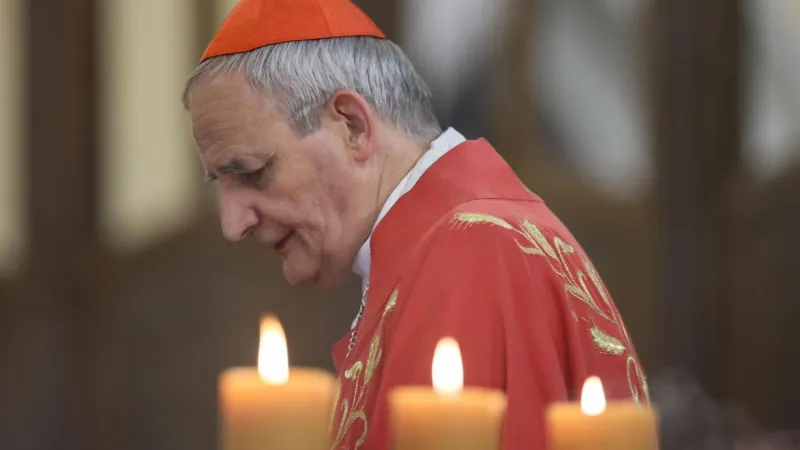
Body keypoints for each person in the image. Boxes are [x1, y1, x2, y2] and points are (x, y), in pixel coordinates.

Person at [183, 0, 651, 448]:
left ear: (352, 126)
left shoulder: (473, 251)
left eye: (251, 172)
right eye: (220, 182)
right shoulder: (452, 242)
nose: (232, 224)